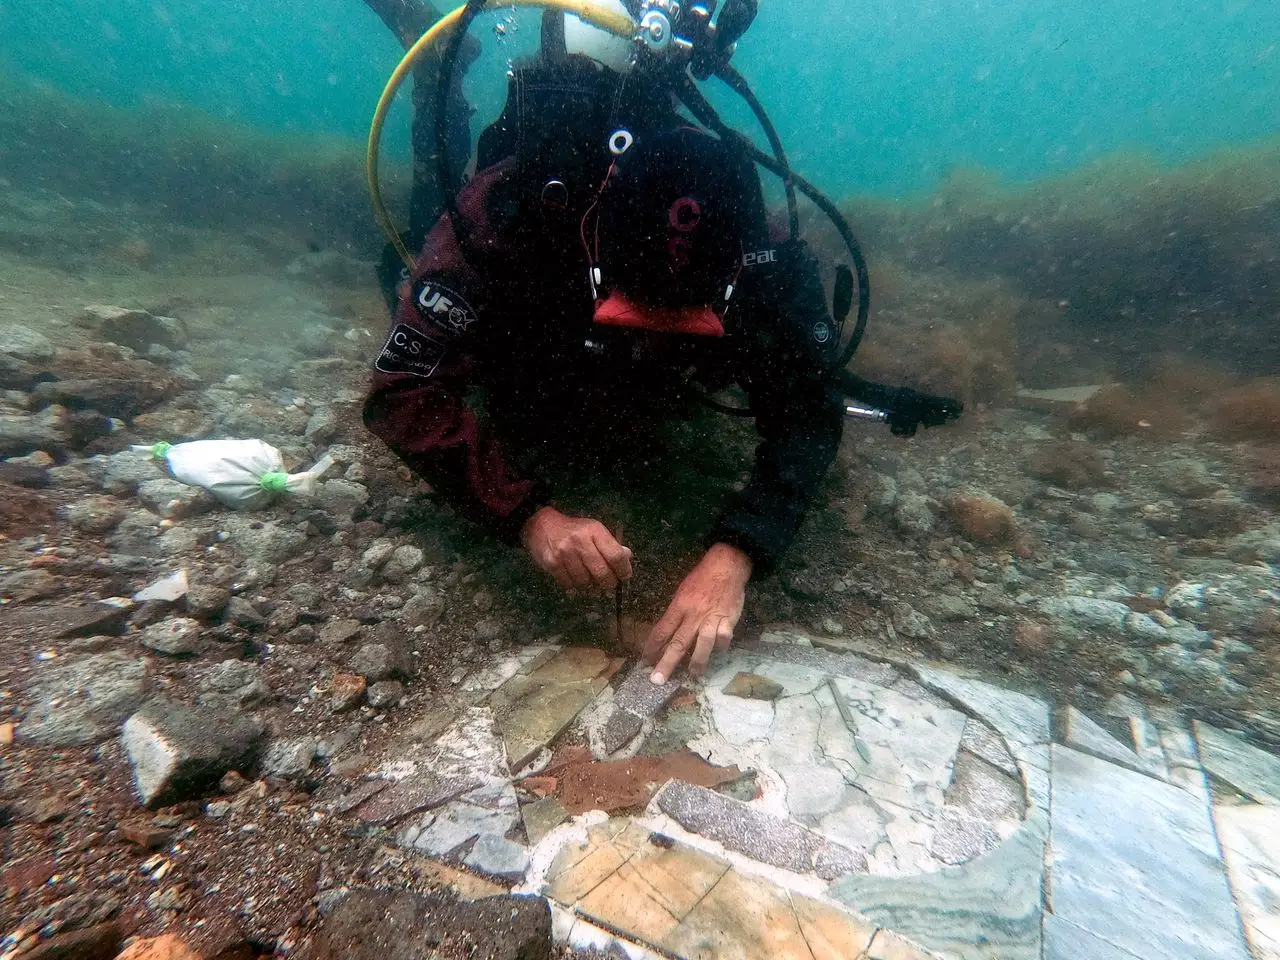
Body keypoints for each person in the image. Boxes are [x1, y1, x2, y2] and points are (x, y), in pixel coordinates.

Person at [362, 4, 844, 686]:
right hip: (527, 353)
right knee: (422, 229)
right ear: (594, 246)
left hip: (633, 369)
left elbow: (811, 405)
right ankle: (439, 67)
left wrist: (737, 553)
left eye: (683, 321)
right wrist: (529, 517)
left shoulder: (748, 232)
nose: (650, 339)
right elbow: (403, 389)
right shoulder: (511, 207)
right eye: (634, 313)